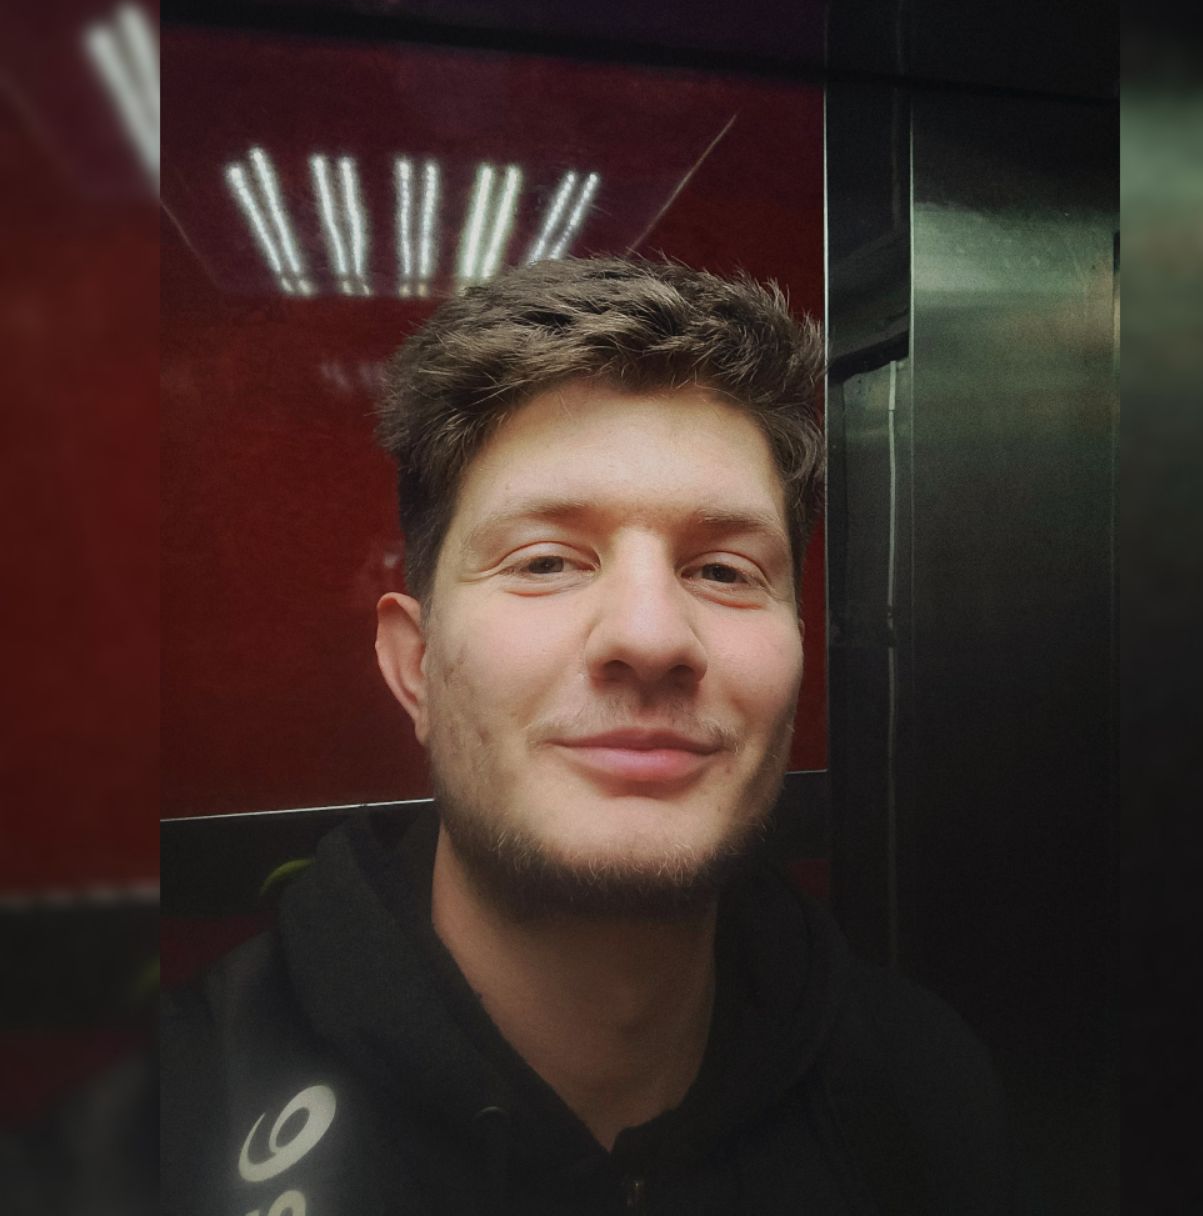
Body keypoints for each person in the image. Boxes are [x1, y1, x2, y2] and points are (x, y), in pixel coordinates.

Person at [162, 257, 1018, 1214]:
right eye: (546, 561)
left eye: (725, 571)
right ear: (416, 668)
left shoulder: (922, 1096)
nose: (650, 637)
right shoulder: (152, 1132)